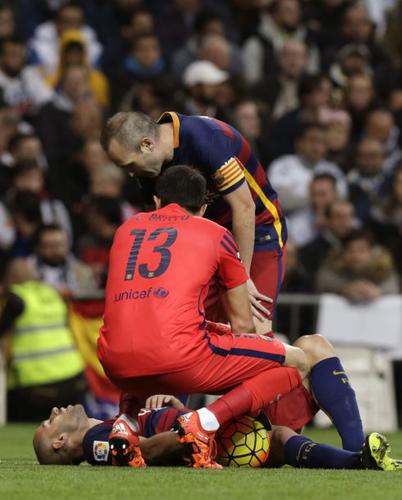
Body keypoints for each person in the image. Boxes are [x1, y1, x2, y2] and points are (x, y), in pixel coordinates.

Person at [98, 166, 368, 466]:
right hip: (184, 364)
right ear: (203, 207)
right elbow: (243, 325)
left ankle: (126, 422)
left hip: (114, 363)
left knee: (153, 345)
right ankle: (205, 422)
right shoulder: (215, 234)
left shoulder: (126, 229)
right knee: (299, 360)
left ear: (157, 201)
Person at [100, 110, 286, 331]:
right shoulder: (148, 171)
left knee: (252, 330)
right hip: (209, 243)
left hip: (258, 231)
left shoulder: (204, 137)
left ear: (147, 144)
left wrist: (241, 278)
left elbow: (245, 207)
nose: (131, 174)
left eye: (130, 165)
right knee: (201, 331)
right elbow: (161, 227)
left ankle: (310, 352)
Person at [32, 397, 402, 472]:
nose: (54, 413)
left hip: (200, 430)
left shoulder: (104, 426)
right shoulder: (95, 443)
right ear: (60, 443)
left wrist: (174, 407)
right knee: (276, 429)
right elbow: (140, 452)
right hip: (200, 437)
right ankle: (356, 457)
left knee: (279, 436)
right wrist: (189, 432)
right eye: (49, 424)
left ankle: (357, 461)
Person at [0, 258, 85, 422]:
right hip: (73, 376)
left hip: (35, 384)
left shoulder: (15, 298)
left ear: (10, 277)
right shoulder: (52, 292)